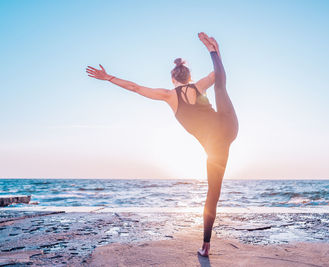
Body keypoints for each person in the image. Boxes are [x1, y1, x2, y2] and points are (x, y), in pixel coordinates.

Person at [86, 32, 238, 257]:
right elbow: (218, 76)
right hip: (229, 125)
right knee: (221, 87)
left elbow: (135, 88)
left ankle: (206, 245)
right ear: (188, 76)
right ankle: (213, 49)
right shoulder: (200, 86)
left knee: (212, 193)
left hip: (217, 146)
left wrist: (108, 78)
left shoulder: (169, 95)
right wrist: (217, 56)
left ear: (173, 79)